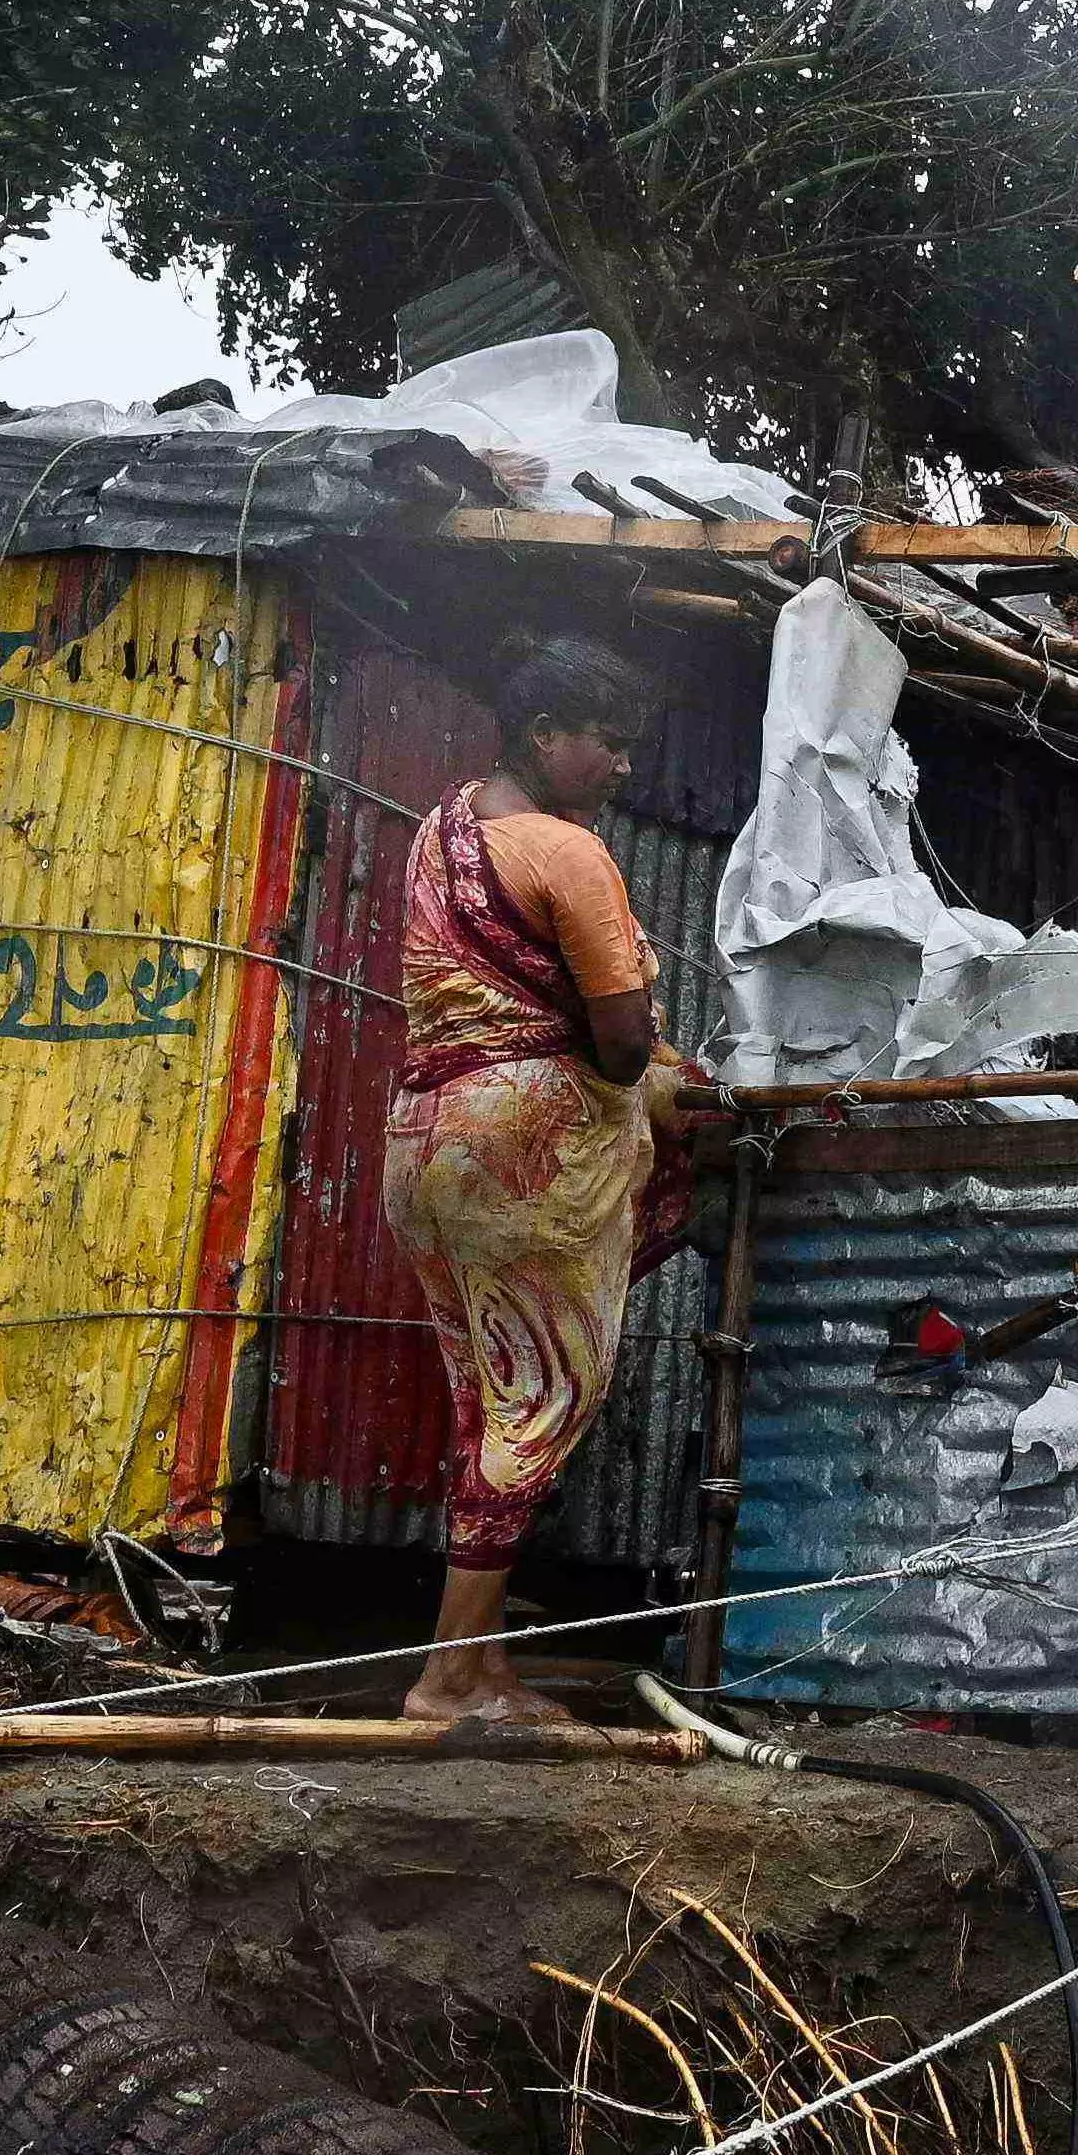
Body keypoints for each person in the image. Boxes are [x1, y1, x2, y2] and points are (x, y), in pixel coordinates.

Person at [382, 633, 709, 1726]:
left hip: (425, 1139)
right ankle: (448, 1680)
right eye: (607, 742)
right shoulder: (567, 854)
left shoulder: (441, 828)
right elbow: (620, 1045)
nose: (623, 766)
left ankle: (476, 1667)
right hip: (529, 1150)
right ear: (543, 733)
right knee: (543, 1403)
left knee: (488, 1406)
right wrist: (661, 1074)